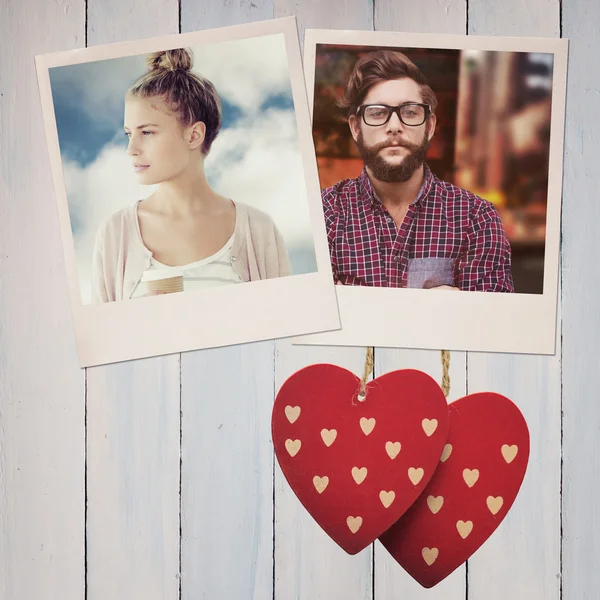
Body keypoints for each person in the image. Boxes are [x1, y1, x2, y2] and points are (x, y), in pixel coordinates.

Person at [91, 48, 291, 303]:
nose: (131, 150)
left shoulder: (258, 230)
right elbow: (105, 339)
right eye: (129, 134)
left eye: (147, 132)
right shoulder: (114, 234)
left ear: (194, 135)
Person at [321, 50, 514, 292]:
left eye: (410, 112)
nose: (394, 127)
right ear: (356, 128)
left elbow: (490, 325)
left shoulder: (476, 219)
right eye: (377, 113)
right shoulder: (323, 215)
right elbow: (311, 322)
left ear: (430, 126)